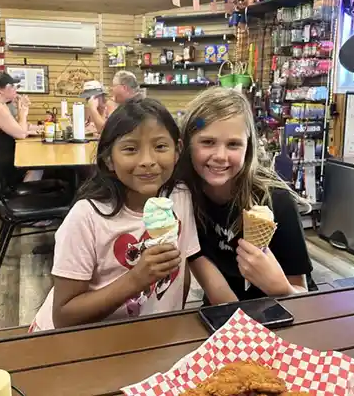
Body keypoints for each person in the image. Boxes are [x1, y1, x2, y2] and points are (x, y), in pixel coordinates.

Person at [30, 98, 234, 330]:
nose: (147, 161)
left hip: (145, 337)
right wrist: (136, 280)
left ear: (177, 151)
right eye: (130, 149)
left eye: (160, 147)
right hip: (81, 341)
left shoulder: (179, 196)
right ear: (108, 158)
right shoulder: (87, 217)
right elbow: (64, 316)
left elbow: (181, 271)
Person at [176, 87, 313, 302]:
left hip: (282, 307)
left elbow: (303, 295)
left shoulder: (275, 200)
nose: (220, 156)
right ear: (187, 146)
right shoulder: (184, 197)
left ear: (248, 148)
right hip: (223, 310)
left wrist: (280, 288)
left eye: (233, 144)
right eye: (208, 142)